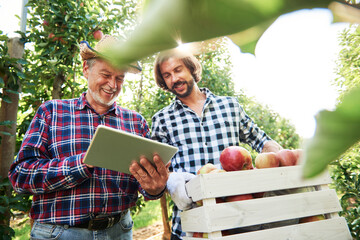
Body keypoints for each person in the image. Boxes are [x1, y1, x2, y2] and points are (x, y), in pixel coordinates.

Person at [8, 35, 168, 240]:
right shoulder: (52, 112)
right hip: (60, 233)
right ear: (86, 69)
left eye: (120, 78)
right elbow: (20, 176)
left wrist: (154, 188)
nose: (113, 84)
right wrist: (81, 164)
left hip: (119, 231)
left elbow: (144, 187)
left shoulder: (135, 122)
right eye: (106, 74)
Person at [151, 48, 284, 239]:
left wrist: (280, 158)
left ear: (190, 68)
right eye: (167, 75)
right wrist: (171, 181)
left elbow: (263, 142)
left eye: (178, 70)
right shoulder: (161, 119)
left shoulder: (230, 106)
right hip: (190, 225)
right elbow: (158, 171)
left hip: (237, 220)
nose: (174, 79)